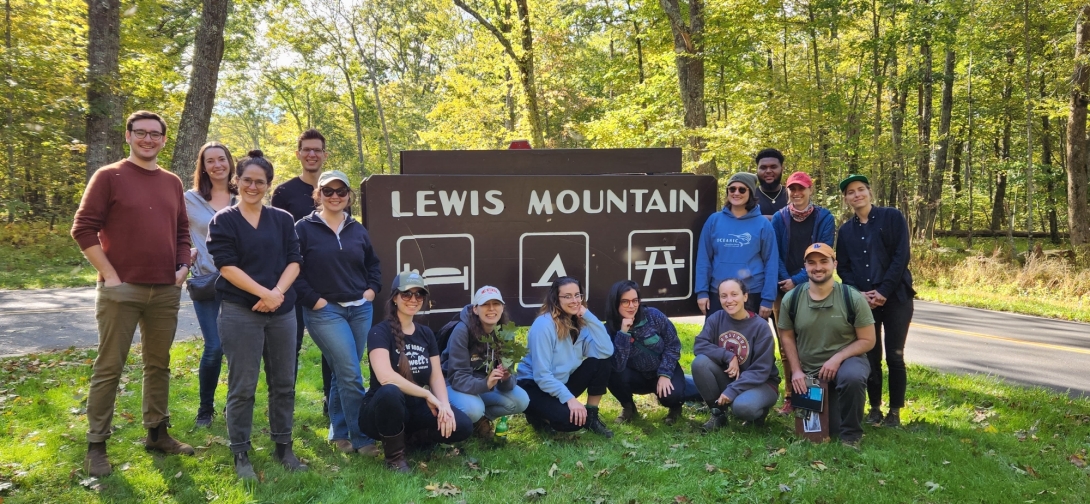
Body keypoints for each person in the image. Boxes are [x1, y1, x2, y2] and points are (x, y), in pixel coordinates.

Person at [72, 110, 194, 477]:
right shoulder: (108, 176)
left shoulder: (172, 182)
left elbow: (182, 232)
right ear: (128, 136)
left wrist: (182, 268)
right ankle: (97, 445)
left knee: (159, 364)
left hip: (165, 290)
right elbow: (83, 229)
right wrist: (109, 274)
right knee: (109, 367)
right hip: (120, 290)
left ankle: (157, 433)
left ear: (162, 139)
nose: (148, 139)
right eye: (140, 133)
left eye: (155, 134)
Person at [207, 150, 306, 479]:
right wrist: (263, 293)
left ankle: (284, 447)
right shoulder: (223, 221)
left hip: (282, 311)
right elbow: (226, 265)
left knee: (284, 383)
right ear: (236, 181)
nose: (253, 186)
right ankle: (241, 454)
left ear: (268, 185)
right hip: (240, 312)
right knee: (243, 386)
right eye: (247, 180)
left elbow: (295, 260)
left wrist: (276, 293)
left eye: (259, 182)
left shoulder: (282, 219)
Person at [293, 170, 382, 456]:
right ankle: (362, 437)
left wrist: (371, 290)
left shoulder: (357, 229)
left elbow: (373, 264)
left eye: (340, 191)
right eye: (327, 191)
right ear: (317, 195)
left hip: (359, 309)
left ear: (349, 196)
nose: (334, 196)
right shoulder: (302, 228)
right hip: (324, 311)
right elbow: (294, 269)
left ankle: (340, 432)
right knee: (350, 373)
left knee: (343, 372)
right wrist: (313, 300)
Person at [359, 271, 472, 473]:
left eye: (419, 294)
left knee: (462, 425)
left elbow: (436, 375)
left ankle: (411, 439)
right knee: (391, 392)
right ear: (395, 298)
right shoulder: (379, 332)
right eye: (406, 294)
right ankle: (395, 458)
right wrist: (427, 394)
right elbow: (385, 377)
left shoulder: (426, 333)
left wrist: (444, 406)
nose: (413, 299)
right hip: (381, 409)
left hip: (414, 406)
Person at [836, 174, 915, 428]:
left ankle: (895, 411)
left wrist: (883, 291)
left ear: (869, 193)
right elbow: (844, 267)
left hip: (896, 298)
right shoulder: (846, 230)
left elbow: (901, 256)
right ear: (846, 199)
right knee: (871, 356)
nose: (856, 194)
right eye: (851, 192)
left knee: (894, 355)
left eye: (861, 190)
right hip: (864, 302)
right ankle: (875, 408)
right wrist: (858, 293)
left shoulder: (891, 217)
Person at [778, 243, 876, 448]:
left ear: (834, 264)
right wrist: (796, 372)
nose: (818, 267)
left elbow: (868, 340)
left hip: (846, 364)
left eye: (824, 261)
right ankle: (835, 412)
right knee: (820, 432)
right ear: (804, 266)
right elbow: (786, 336)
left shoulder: (852, 297)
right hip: (812, 376)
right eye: (811, 262)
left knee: (852, 377)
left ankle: (851, 437)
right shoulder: (792, 298)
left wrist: (837, 358)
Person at [271, 128, 335, 412]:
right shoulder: (284, 192)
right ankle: (284, 406)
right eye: (306, 150)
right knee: (289, 347)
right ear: (298, 154)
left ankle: (331, 404)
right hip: (293, 282)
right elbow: (275, 239)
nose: (312, 154)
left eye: (317, 150)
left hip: (328, 281)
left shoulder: (335, 188)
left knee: (332, 348)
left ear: (324, 154)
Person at [517, 276, 615, 438]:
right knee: (570, 422)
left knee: (601, 362)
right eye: (567, 296)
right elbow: (541, 376)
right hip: (533, 386)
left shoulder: (581, 324)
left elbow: (606, 351)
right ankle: (537, 414)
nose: (575, 300)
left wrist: (589, 317)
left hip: (559, 383)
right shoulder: (543, 326)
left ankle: (591, 416)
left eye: (577, 295)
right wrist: (570, 399)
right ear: (556, 299)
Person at [770, 171, 835, 414]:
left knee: (813, 345)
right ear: (787, 191)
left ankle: (814, 397)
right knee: (787, 345)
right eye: (792, 189)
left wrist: (797, 279)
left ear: (810, 190)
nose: (797, 194)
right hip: (782, 290)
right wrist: (785, 280)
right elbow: (773, 252)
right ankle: (790, 397)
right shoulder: (779, 218)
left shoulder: (825, 217)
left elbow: (825, 252)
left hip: (815, 287)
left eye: (802, 189)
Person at [185, 141, 238, 428]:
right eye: (210, 161)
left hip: (241, 283)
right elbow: (177, 232)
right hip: (207, 281)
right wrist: (186, 255)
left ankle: (234, 405)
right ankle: (205, 409)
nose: (217, 165)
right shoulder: (190, 199)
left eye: (222, 159)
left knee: (237, 348)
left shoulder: (243, 195)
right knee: (214, 346)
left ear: (230, 162)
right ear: (203, 167)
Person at [441, 286, 530, 439]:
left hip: (485, 386)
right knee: (474, 409)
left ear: (502, 308)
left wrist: (506, 377)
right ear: (475, 309)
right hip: (453, 386)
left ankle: (482, 420)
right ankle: (471, 419)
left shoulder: (506, 333)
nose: (491, 309)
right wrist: (485, 384)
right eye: (485, 304)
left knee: (521, 400)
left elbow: (508, 384)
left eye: (496, 304)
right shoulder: (462, 331)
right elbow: (457, 377)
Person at [691, 278, 781, 431]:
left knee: (742, 407)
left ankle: (759, 412)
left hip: (761, 383)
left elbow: (761, 370)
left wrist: (732, 390)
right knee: (700, 363)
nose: (729, 300)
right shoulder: (716, 319)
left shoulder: (760, 327)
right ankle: (718, 413)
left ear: (745, 296)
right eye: (724, 296)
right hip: (731, 378)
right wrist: (728, 356)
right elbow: (700, 345)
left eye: (734, 294)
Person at [695, 172, 779, 319]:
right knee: (716, 339)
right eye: (732, 189)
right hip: (719, 293)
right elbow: (703, 259)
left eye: (742, 189)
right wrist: (702, 292)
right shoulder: (714, 221)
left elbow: (771, 262)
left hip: (752, 293)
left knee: (751, 341)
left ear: (751, 193)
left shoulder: (763, 224)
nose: (736, 193)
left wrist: (768, 298)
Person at [604, 280, 685, 425]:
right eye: (625, 302)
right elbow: (617, 365)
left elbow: (673, 345)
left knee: (672, 396)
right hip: (634, 376)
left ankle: (675, 408)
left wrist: (665, 374)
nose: (631, 306)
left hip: (661, 371)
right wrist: (623, 333)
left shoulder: (653, 316)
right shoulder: (609, 329)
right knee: (608, 369)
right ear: (615, 303)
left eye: (635, 301)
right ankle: (628, 407)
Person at [754, 148, 788, 219]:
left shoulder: (792, 195)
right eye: (763, 168)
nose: (768, 171)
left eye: (773, 167)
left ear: (782, 169)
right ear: (757, 170)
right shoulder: (749, 196)